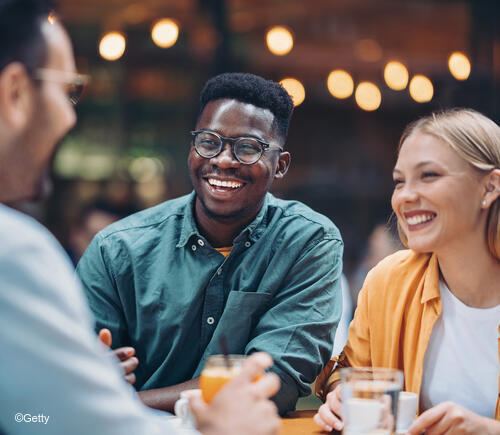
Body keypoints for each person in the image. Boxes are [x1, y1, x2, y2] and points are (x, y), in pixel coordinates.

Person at [0, 1, 281, 434]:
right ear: (16, 93)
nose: (71, 114)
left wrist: (88, 387)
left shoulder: (306, 239)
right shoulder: (15, 251)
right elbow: (76, 424)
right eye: (67, 89)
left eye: (246, 148)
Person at [77, 72, 344, 415]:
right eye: (208, 141)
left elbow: (273, 383)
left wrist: (126, 404)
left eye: (247, 148)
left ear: (281, 165)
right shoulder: (116, 249)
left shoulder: (308, 242)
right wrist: (97, 385)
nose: (222, 160)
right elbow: (76, 374)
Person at [314, 108, 500, 434]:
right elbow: (349, 371)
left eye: (429, 176)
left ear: (489, 187)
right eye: (400, 181)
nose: (405, 197)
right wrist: (341, 394)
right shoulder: (389, 281)